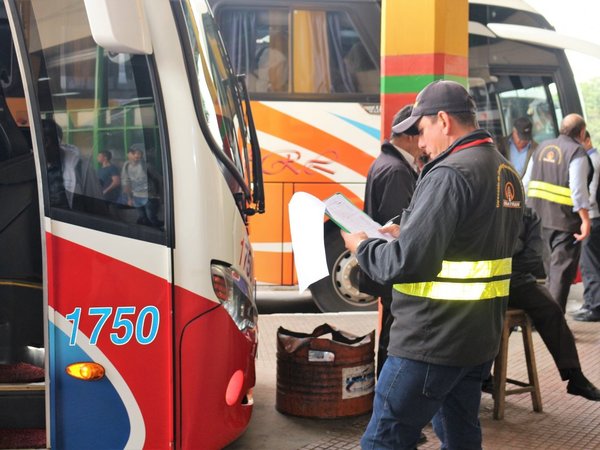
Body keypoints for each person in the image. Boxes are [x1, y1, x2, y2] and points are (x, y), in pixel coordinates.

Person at [341, 80, 524, 449]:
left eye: (422, 131)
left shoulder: (449, 173)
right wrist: (408, 227)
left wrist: (363, 247)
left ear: (443, 120)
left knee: (384, 440)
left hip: (431, 340)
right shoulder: (505, 172)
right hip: (477, 339)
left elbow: (407, 263)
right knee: (460, 437)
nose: (420, 143)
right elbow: (472, 240)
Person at [485, 207, 600, 400]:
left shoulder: (528, 214)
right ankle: (481, 374)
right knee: (487, 318)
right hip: (482, 281)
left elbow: (533, 260)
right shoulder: (484, 207)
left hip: (515, 280)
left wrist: (503, 265)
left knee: (550, 308)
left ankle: (574, 376)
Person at [362, 104, 420, 377]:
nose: (423, 144)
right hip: (394, 268)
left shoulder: (384, 162)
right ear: (409, 137)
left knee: (390, 331)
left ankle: (384, 393)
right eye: (420, 135)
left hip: (385, 267)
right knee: (394, 338)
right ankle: (387, 394)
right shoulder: (397, 171)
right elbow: (399, 224)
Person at [523, 113, 591, 313]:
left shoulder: (541, 147)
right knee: (560, 273)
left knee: (548, 271)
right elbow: (578, 189)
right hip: (564, 222)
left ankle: (544, 319)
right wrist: (585, 220)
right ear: (581, 132)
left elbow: (526, 182)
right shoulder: (576, 151)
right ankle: (552, 321)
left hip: (538, 218)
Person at [572, 131, 600, 321]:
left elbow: (589, 192)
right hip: (595, 216)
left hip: (592, 216)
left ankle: (594, 306)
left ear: (587, 140)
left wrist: (584, 215)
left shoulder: (591, 161)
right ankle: (591, 302)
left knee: (590, 264)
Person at [121, 144, 162, 227]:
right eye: (134, 153)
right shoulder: (127, 166)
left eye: (139, 153)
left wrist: (158, 195)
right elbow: (126, 182)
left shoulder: (146, 166)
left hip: (149, 196)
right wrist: (129, 198)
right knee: (142, 217)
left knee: (151, 217)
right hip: (136, 196)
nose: (137, 155)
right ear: (129, 154)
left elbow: (158, 179)